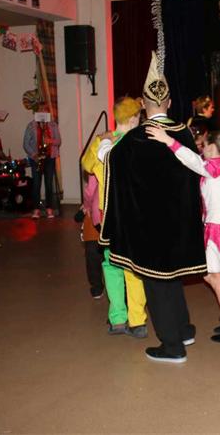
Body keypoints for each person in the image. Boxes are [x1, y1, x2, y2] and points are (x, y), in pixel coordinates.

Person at [99, 53, 206, 363]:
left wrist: (105, 141)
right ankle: (183, 329)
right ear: (169, 102)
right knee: (173, 280)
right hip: (180, 223)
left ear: (143, 105)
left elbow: (108, 160)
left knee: (157, 284)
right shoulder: (184, 133)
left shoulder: (135, 139)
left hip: (150, 228)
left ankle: (172, 346)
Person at [149, 126, 220, 344]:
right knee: (212, 277)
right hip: (219, 223)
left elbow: (192, 161)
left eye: (205, 145)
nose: (201, 148)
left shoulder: (213, 167)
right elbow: (196, 160)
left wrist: (168, 140)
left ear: (213, 147)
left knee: (216, 279)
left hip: (219, 227)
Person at [85, 97, 148, 336]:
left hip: (107, 216)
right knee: (133, 267)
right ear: (132, 118)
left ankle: (117, 319)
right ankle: (137, 321)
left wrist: (101, 141)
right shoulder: (138, 142)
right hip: (132, 214)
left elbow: (86, 165)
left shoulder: (102, 141)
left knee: (111, 266)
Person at [23, 114, 61, 219]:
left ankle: (49, 208)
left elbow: (58, 141)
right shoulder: (31, 125)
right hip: (36, 158)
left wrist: (50, 141)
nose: (42, 112)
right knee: (36, 184)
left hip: (49, 157)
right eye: (40, 110)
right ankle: (36, 209)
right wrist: (33, 155)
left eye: (44, 110)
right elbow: (25, 144)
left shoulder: (53, 125)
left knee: (49, 183)